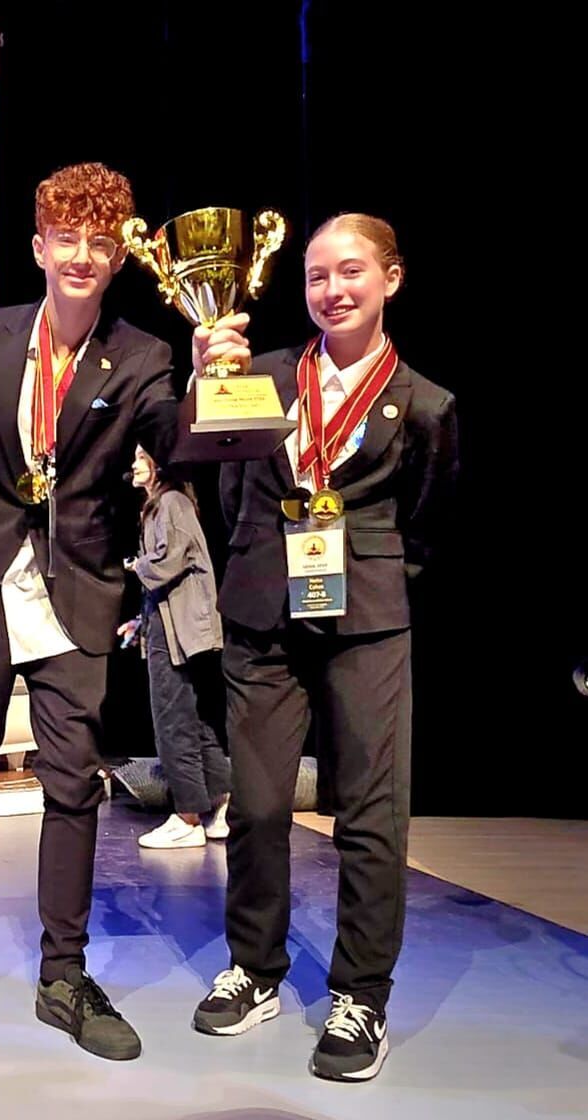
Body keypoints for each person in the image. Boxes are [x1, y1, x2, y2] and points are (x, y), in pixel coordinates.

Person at [0, 161, 250, 1061]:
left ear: (118, 257)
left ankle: (63, 972)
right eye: (67, 239)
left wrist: (211, 381)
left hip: (78, 589)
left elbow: (177, 445)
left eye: (101, 242)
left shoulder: (142, 356)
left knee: (70, 785)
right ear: (39, 246)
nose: (82, 256)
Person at [190, 213, 458, 1082]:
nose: (332, 290)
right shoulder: (262, 378)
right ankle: (254, 968)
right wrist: (202, 380)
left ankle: (361, 996)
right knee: (258, 805)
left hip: (367, 619)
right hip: (263, 611)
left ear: (391, 279)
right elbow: (224, 478)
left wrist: (372, 575)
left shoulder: (425, 404)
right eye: (315, 276)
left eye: (350, 272)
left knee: (370, 814)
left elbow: (427, 521)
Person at [119, 445, 231, 849]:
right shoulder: (161, 506)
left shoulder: (171, 502)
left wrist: (134, 566)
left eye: (141, 457)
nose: (134, 464)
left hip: (179, 632)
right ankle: (221, 802)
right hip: (169, 625)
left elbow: (170, 560)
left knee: (172, 721)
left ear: (159, 465)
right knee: (194, 719)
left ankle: (187, 817)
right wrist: (140, 620)